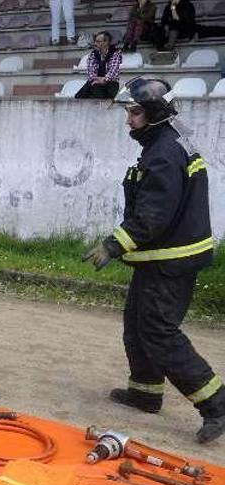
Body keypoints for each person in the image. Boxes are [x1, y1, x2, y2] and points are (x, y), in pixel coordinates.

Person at [83, 77, 224, 444]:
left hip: (171, 260)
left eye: (134, 112)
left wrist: (113, 246)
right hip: (163, 256)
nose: (129, 120)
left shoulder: (163, 153)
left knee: (159, 331)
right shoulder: (168, 139)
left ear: (155, 112)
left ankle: (216, 404)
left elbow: (153, 215)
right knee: (136, 323)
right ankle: (145, 391)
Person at [75, 31, 122, 99]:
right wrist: (97, 79)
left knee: (102, 94)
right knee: (79, 96)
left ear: (106, 42)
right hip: (96, 82)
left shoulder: (115, 53)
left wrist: (104, 79)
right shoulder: (93, 54)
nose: (95, 44)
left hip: (111, 83)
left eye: (98, 41)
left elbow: (113, 71)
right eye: (95, 41)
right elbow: (91, 72)